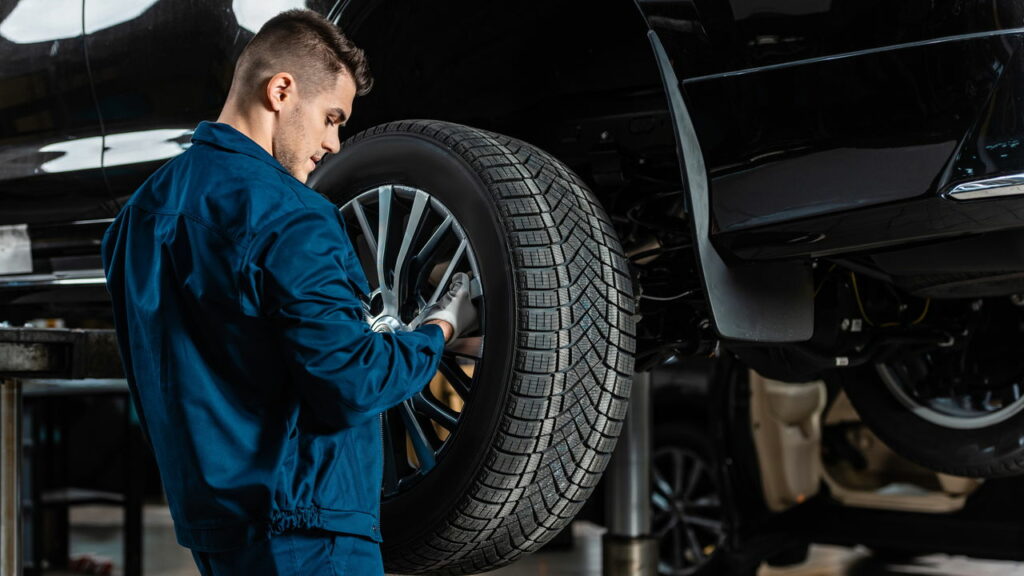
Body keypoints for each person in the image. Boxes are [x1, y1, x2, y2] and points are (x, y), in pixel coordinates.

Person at [101, 9, 477, 576]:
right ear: (281, 90)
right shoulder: (293, 217)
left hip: (215, 531)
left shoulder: (135, 220)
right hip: (308, 529)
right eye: (331, 118)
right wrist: (439, 328)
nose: (334, 143)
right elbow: (351, 382)